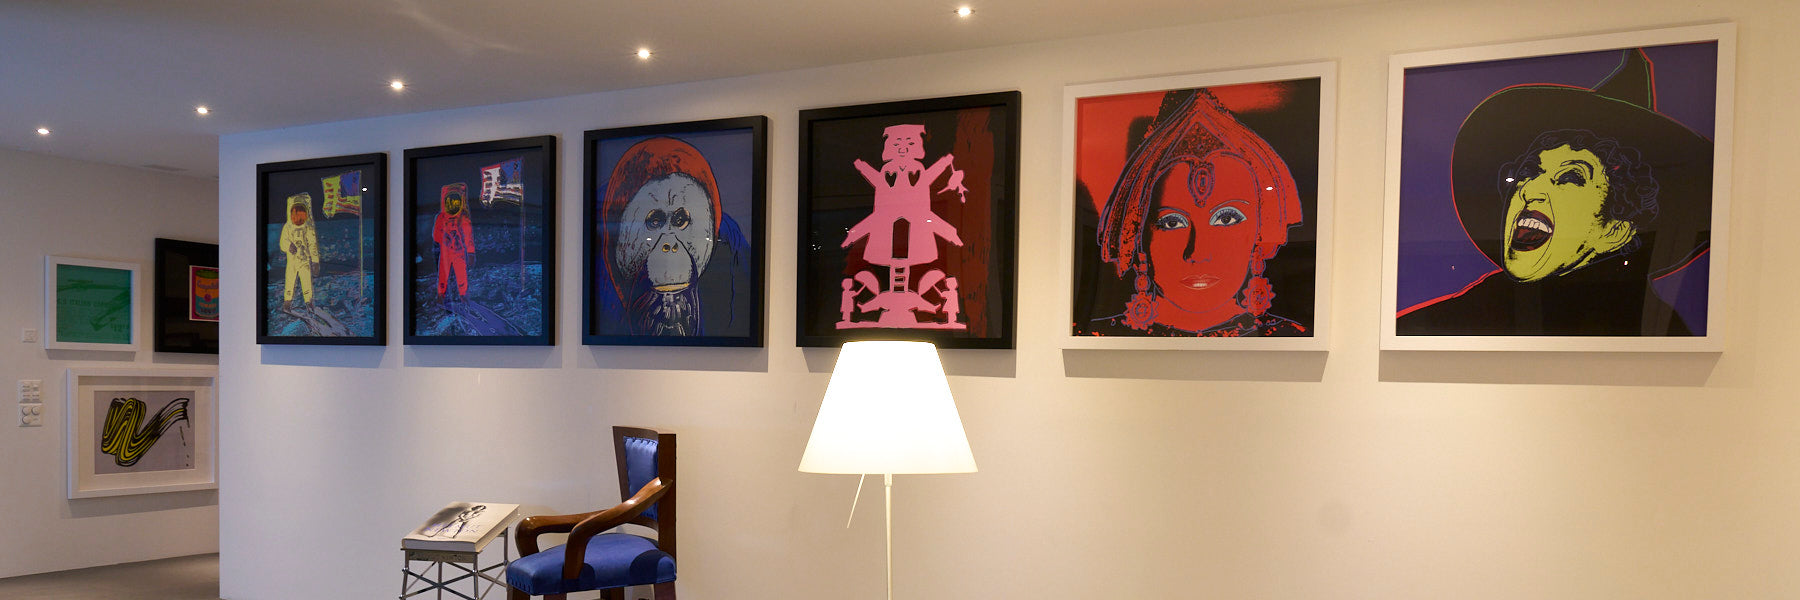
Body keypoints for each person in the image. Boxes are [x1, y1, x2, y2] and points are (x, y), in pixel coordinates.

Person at [1397, 49, 1712, 336]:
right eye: (1529, 172)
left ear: (1615, 231)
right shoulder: (1445, 324)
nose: (1530, 189)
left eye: (1570, 178)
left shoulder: (1654, 330)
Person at [1088, 88, 1305, 336]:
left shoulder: (1290, 336)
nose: (1198, 252)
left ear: (1260, 231)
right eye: (1172, 223)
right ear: (1139, 237)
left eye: (1226, 218)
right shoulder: (1098, 337)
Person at [279, 192, 320, 310]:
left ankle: (308, 301)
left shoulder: (308, 227)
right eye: (295, 214)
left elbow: (312, 245)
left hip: (304, 259)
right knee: (290, 279)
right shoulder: (288, 227)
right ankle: (287, 301)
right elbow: (283, 242)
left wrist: (315, 261)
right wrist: (289, 246)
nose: (298, 218)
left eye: (301, 214)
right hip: (292, 260)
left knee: (306, 280)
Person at [432, 183, 473, 300]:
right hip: (447, 252)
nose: (453, 206)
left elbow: (468, 236)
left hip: (458, 252)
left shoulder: (462, 218)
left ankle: (463, 296)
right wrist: (443, 239)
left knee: (460, 274)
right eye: (451, 203)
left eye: (456, 203)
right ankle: (442, 295)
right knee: (444, 274)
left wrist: (470, 252)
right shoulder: (441, 218)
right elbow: (436, 235)